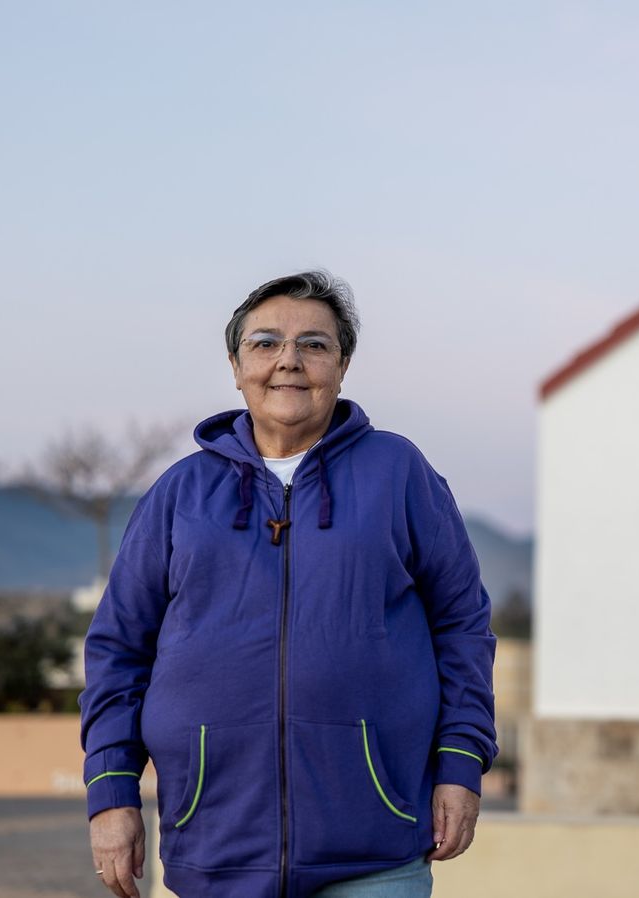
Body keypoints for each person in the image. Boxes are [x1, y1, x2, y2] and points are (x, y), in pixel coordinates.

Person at [79, 271, 497, 898]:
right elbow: (119, 650)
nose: (289, 361)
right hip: (215, 848)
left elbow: (462, 626)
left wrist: (460, 763)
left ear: (343, 365)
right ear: (236, 366)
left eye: (314, 344)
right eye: (266, 343)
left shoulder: (399, 473)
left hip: (376, 852)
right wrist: (112, 793)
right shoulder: (180, 492)